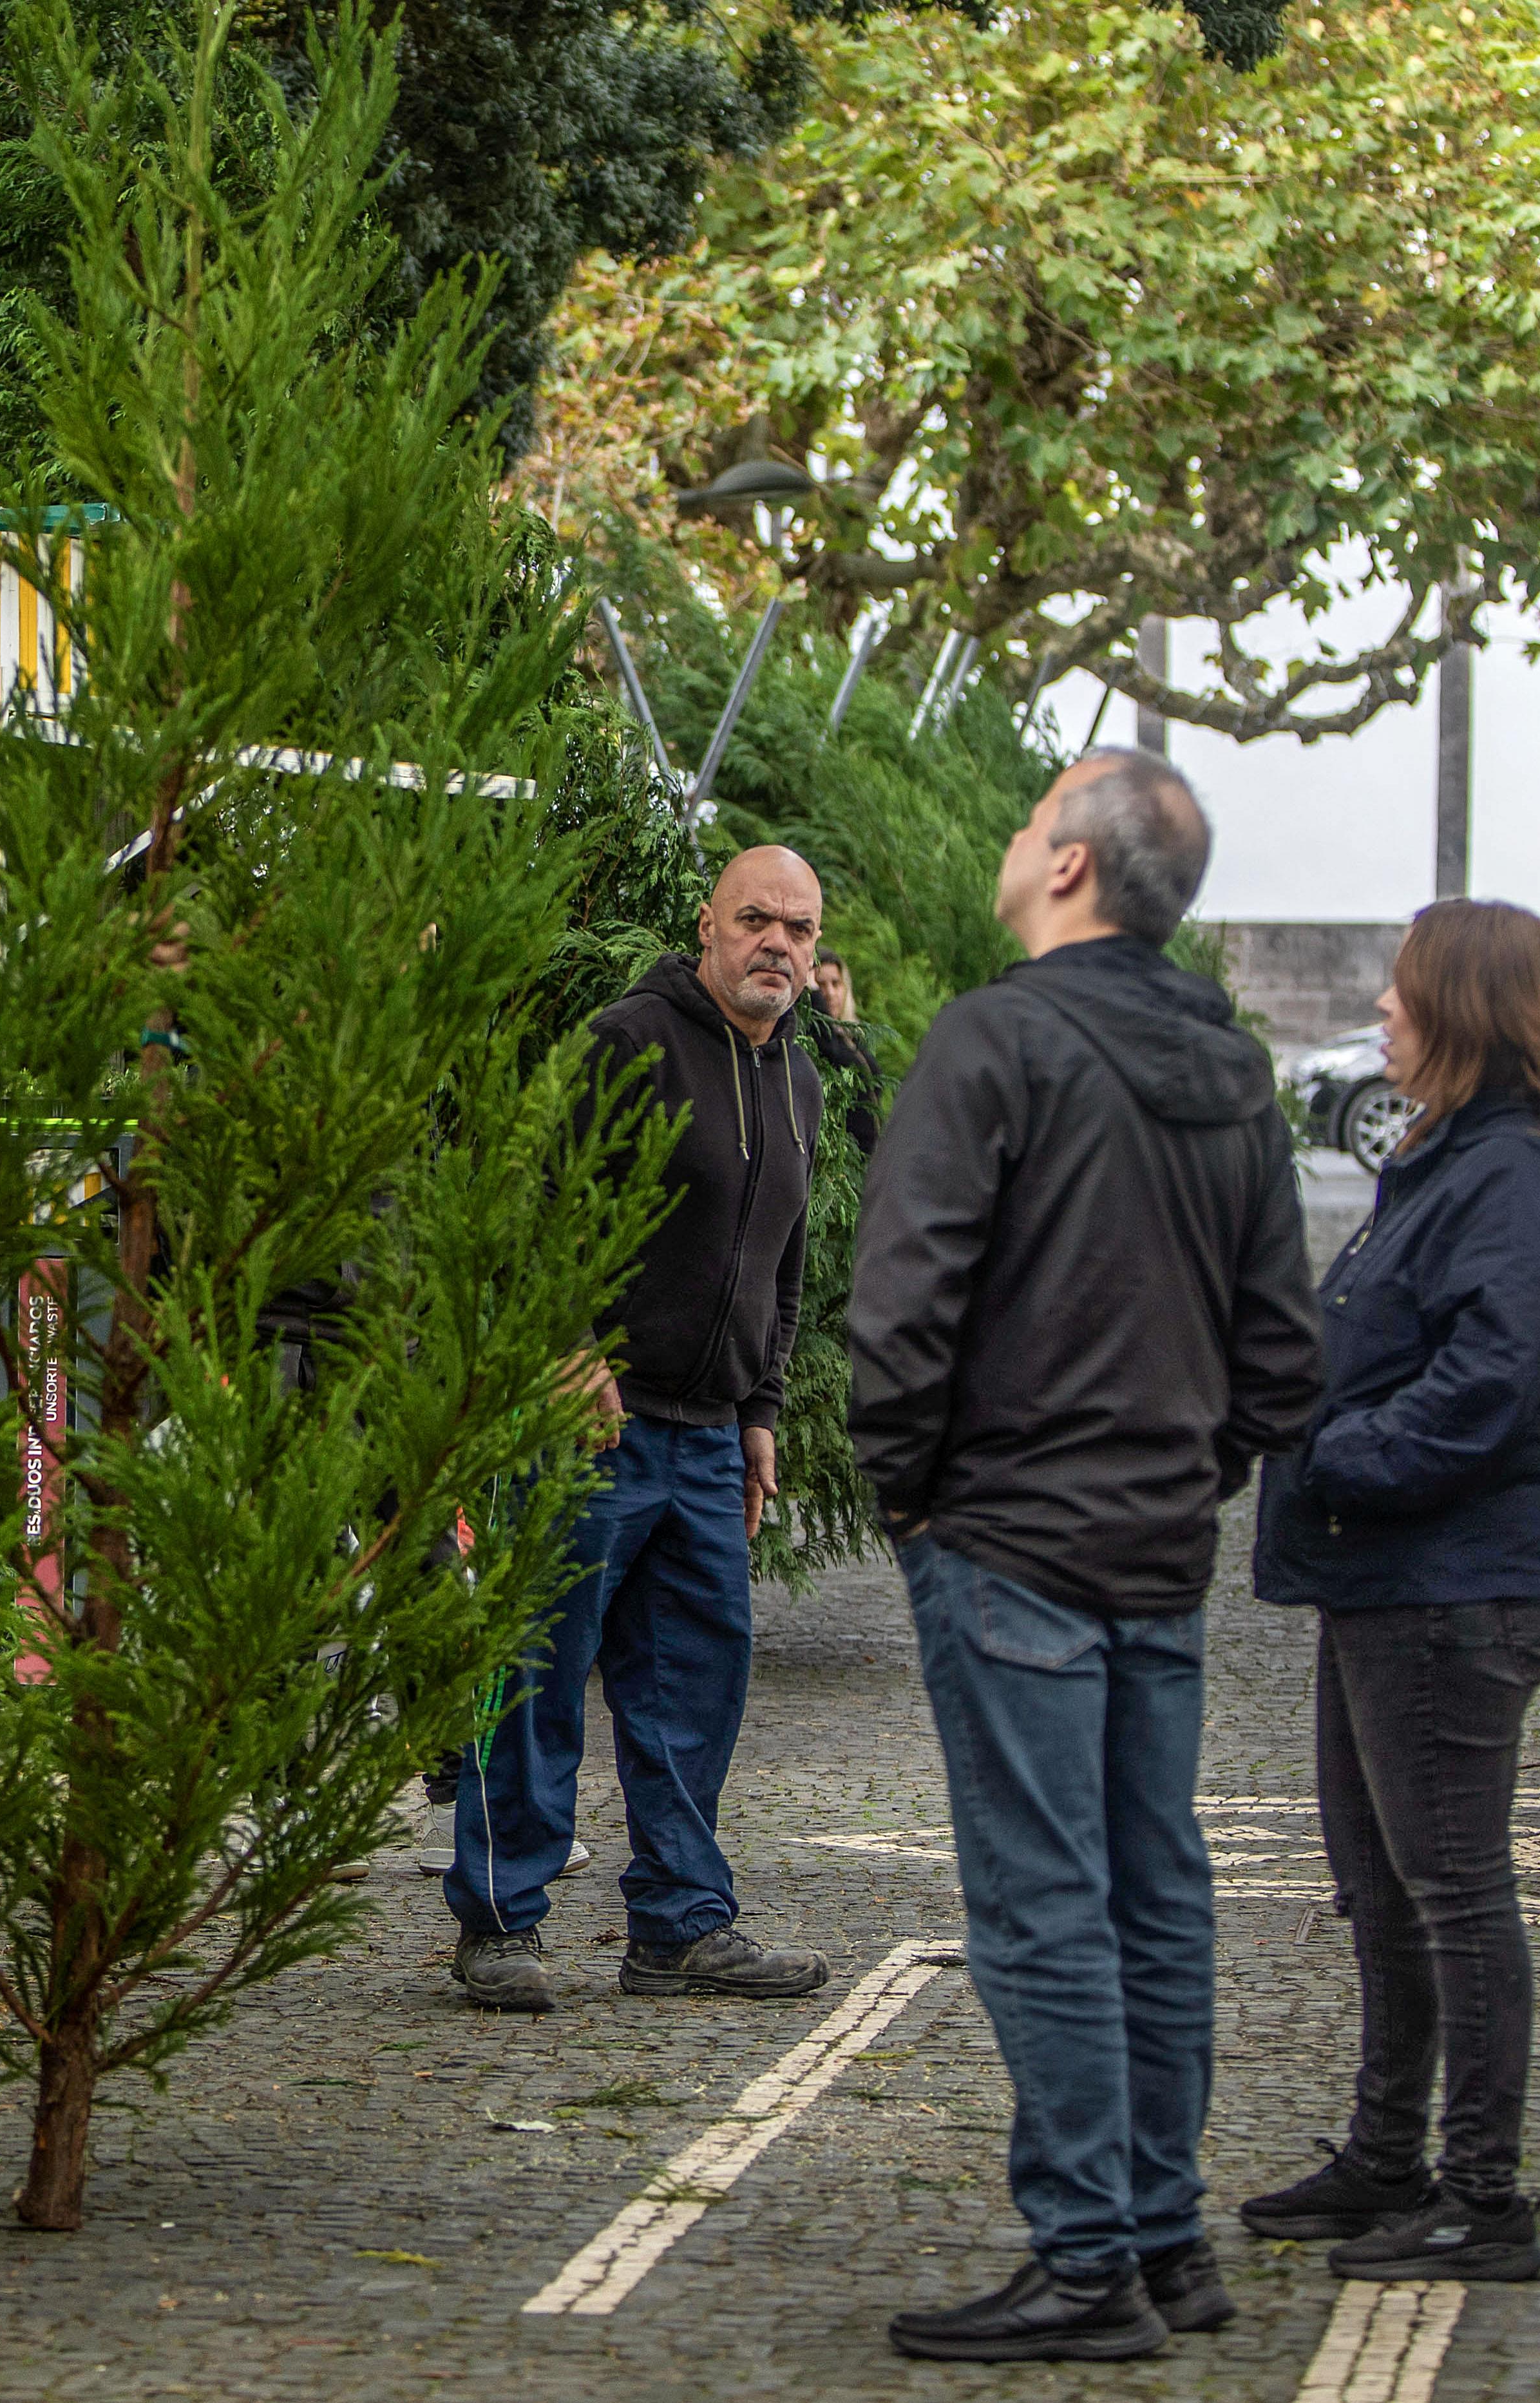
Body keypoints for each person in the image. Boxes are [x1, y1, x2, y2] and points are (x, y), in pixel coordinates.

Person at [850, 749, 1322, 2363]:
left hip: (1009, 1536)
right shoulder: (1231, 1066)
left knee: (1044, 1900)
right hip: (1151, 1541)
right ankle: (1162, 2235)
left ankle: (1084, 2259)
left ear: (1066, 865)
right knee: (1152, 1890)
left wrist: (910, 1495)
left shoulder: (994, 1039)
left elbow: (901, 1301)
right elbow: (1281, 1353)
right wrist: (1195, 1471)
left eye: (1027, 812)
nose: (1009, 832)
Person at [1239, 900, 1540, 2284]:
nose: (1381, 1012)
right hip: (1391, 1572)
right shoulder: (1452, 1151)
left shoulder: (1515, 1171)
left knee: (1451, 1889)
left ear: (1460, 1010)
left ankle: (1482, 2196)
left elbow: (1480, 1387)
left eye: (1401, 992)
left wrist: (1331, 1453)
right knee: (1381, 1888)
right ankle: (1386, 2156)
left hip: (1456, 1579)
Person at [446, 846, 833, 2013]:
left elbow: (783, 1266)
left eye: (799, 929)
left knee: (694, 1689)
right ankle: (499, 1920)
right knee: (537, 1673)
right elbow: (533, 1202)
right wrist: (569, 1344)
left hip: (710, 1439)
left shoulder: (798, 1080)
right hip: (589, 1428)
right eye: (756, 919)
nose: (777, 944)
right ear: (708, 925)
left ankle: (678, 1924)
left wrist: (761, 1411)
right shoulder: (627, 1042)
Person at [808, 947, 886, 1156]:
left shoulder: (853, 1036)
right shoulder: (815, 1039)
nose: (830, 993)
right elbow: (833, 1053)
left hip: (868, 1156)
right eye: (820, 985)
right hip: (839, 1156)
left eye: (836, 983)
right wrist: (813, 995)